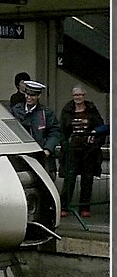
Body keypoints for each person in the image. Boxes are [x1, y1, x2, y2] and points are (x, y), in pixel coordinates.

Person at [58, 86, 106, 218]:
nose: (78, 98)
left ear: (84, 96)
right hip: (72, 150)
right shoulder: (67, 110)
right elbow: (62, 130)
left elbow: (101, 126)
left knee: (87, 179)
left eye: (80, 95)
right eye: (75, 95)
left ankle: (85, 207)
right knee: (70, 179)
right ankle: (65, 206)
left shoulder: (91, 110)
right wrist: (65, 144)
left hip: (89, 151)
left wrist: (95, 140)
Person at [10, 80, 61, 180]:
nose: (29, 98)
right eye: (27, 94)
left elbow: (55, 132)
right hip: (21, 156)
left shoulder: (46, 113)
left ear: (38, 96)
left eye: (32, 95)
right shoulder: (16, 110)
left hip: (42, 156)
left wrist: (48, 149)